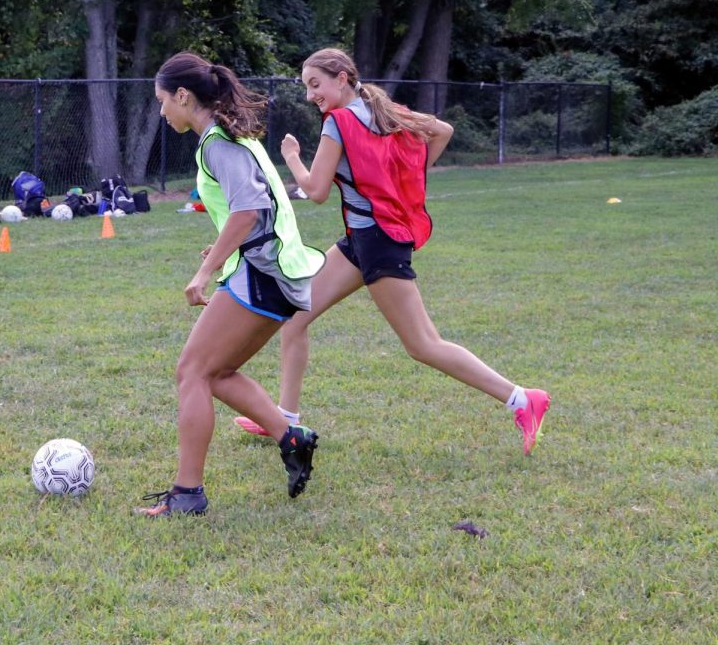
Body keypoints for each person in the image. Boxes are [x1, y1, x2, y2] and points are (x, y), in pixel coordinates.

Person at [233, 47, 550, 454]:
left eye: (316, 84)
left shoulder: (340, 121)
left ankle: (524, 399)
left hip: (380, 244)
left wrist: (292, 157)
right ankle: (286, 422)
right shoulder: (378, 107)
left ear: (342, 78)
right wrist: (408, 181)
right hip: (361, 242)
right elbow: (444, 130)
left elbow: (314, 191)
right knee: (295, 317)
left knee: (423, 345)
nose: (311, 95)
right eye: (306, 87)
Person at [137, 52, 327, 518]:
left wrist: (206, 271)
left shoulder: (218, 143)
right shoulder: (229, 135)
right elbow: (254, 210)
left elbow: (246, 211)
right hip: (273, 270)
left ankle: (187, 495)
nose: (162, 112)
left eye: (164, 102)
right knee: (215, 373)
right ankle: (291, 438)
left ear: (183, 96)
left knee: (193, 372)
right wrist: (222, 251)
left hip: (265, 273)